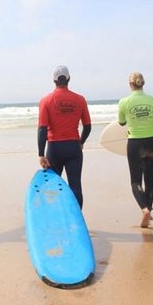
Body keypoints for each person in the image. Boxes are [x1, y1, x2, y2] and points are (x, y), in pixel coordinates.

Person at [38, 65, 92, 209]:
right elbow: (87, 126)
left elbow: (42, 129)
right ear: (68, 79)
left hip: (55, 149)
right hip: (73, 148)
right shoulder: (80, 99)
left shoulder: (46, 101)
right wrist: (81, 142)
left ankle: (56, 218)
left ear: (54, 80)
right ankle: (77, 220)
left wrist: (41, 154)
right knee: (75, 185)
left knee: (53, 186)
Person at [117, 72, 153, 228]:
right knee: (149, 179)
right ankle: (149, 209)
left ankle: (144, 209)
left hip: (135, 144)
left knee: (136, 181)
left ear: (130, 84)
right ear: (143, 83)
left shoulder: (124, 102)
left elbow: (121, 122)